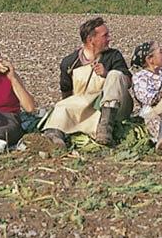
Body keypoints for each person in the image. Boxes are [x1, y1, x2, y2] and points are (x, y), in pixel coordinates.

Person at [30, 17, 132, 150]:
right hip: (85, 107)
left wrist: (106, 74)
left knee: (115, 74)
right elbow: (66, 93)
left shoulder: (114, 56)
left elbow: (128, 82)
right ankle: (55, 135)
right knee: (61, 106)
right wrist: (69, 109)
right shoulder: (69, 63)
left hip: (115, 107)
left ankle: (105, 128)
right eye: (105, 35)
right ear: (91, 40)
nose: (109, 38)